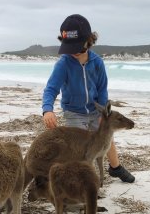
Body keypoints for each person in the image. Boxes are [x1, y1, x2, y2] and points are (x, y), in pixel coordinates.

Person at [42, 14, 135, 183]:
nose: (74, 52)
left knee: (106, 137)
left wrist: (103, 114)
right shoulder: (64, 64)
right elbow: (51, 88)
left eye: (78, 47)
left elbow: (102, 91)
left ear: (89, 40)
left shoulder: (97, 62)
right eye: (70, 47)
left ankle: (115, 168)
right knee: (79, 146)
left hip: (96, 110)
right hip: (74, 112)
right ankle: (82, 179)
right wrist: (47, 109)